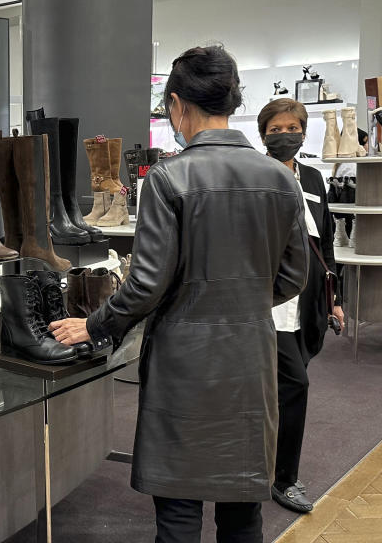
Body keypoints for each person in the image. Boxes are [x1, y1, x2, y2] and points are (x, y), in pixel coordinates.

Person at [50, 45, 309, 543]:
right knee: (242, 515)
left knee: (178, 514)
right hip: (251, 360)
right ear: (232, 101)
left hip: (182, 364)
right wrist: (245, 301)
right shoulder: (280, 178)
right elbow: (295, 275)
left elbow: (146, 283)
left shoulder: (168, 178)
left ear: (177, 105)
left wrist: (95, 323)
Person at [257, 98, 343, 513]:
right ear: (264, 135)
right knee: (294, 385)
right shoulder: (255, 174)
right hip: (267, 301)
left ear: (303, 132)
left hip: (308, 300)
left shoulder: (312, 177)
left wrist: (335, 299)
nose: (285, 134)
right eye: (276, 129)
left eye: (292, 127)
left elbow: (324, 241)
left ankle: (269, 466)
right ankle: (283, 479)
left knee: (286, 386)